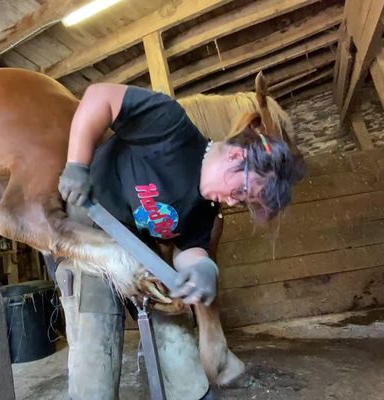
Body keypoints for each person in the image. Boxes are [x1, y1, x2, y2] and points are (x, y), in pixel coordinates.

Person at [57, 83, 305, 400]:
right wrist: (77, 165)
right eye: (242, 192)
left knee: (169, 308)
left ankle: (191, 392)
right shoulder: (170, 125)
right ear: (237, 156)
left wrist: (203, 269)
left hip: (135, 247)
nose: (233, 202)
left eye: (242, 201)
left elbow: (190, 250)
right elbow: (99, 96)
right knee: (95, 313)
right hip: (92, 219)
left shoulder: (206, 207)